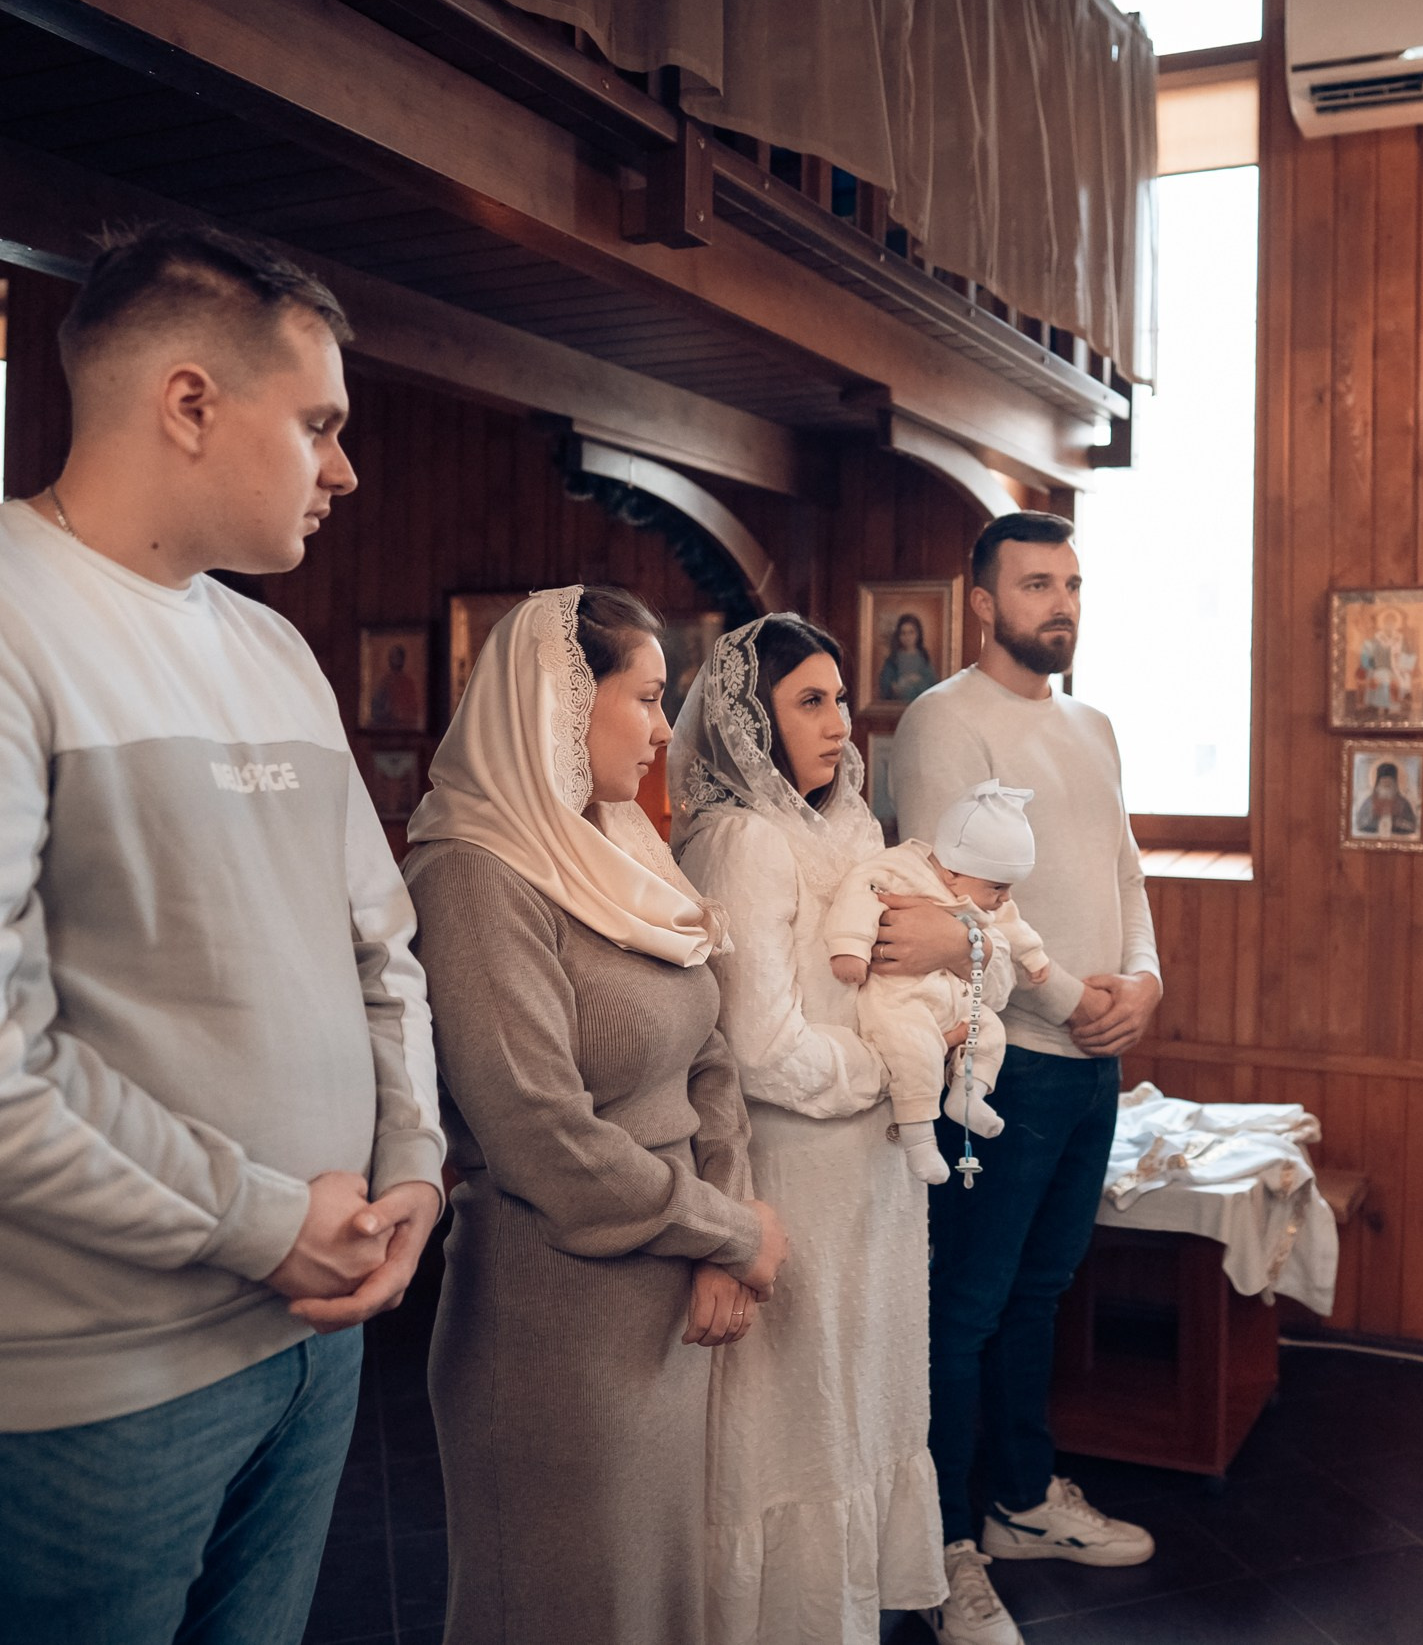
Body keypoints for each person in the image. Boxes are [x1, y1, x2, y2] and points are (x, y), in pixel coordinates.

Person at [0, 225, 445, 1642]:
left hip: (307, 1340)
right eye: (320, 423)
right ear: (191, 402)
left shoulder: (273, 647)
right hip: (67, 1393)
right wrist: (269, 1220)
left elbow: (379, 950)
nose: (345, 470)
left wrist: (415, 1168)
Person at [404, 585, 787, 1642]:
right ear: (558, 705)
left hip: (668, 1294)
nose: (667, 728)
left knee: (659, 1605)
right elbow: (538, 1134)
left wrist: (724, 1228)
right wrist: (733, 1229)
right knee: (567, 1608)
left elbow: (707, 1045)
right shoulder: (475, 873)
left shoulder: (617, 841)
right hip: (553, 1327)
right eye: (649, 697)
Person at [889, 511, 1161, 1645]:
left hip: (1091, 1063)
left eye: (1074, 584)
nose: (1061, 603)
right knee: (964, 1304)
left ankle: (1020, 1500)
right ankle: (946, 1547)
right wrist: (1071, 1000)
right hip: (993, 1063)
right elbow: (944, 901)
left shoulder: (1091, 722)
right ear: (983, 600)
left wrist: (1144, 979)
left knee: (1042, 1290)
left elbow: (1124, 868)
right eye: (1037, 583)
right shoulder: (943, 720)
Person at [671, 614, 948, 1644]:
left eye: (839, 698)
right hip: (796, 1164)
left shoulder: (858, 829)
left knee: (862, 1396)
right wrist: (886, 1068)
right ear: (751, 720)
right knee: (797, 1412)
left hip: (874, 1169)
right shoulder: (744, 838)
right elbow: (758, 1044)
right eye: (808, 701)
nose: (839, 721)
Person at [827, 779, 1054, 1183]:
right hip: (902, 998)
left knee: (991, 1030)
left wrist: (1033, 954)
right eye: (998, 887)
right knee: (915, 1051)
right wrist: (851, 947)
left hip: (957, 995)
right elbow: (858, 893)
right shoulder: (901, 870)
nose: (1004, 898)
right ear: (952, 870)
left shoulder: (982, 889)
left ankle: (971, 1097)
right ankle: (919, 1140)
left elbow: (1009, 923)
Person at [880, 611, 939, 705]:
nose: (907, 637)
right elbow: (886, 685)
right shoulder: (893, 659)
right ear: (898, 635)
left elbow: (932, 685)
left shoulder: (924, 657)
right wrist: (895, 687)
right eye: (903, 633)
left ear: (918, 634)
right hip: (898, 706)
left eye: (911, 632)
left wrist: (918, 681)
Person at [1352, 760, 1419, 837]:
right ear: (1378, 784)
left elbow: (1413, 826)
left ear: (1395, 784)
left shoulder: (1403, 802)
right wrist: (1375, 819)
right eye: (1384, 782)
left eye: (1389, 782)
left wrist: (1396, 822)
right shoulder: (1369, 802)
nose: (1386, 785)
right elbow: (1359, 825)